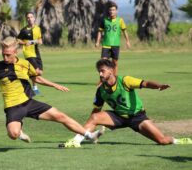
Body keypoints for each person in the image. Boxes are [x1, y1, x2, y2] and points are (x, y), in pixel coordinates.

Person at [0, 37, 100, 144]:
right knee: (13, 134)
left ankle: (89, 135)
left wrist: (55, 85)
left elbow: (36, 78)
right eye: (3, 54)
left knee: (60, 116)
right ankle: (19, 131)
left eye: (8, 54)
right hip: (12, 107)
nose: (5, 57)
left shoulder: (25, 64)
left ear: (16, 52)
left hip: (28, 103)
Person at [59, 59, 192, 148]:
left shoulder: (125, 81)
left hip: (137, 117)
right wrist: (90, 128)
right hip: (118, 117)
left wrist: (159, 86)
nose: (100, 74)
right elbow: (95, 111)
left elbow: (145, 83)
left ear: (111, 70)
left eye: (102, 71)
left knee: (162, 140)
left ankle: (178, 140)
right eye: (98, 71)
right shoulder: (100, 90)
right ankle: (76, 141)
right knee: (95, 117)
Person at [95, 2, 130, 75]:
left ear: (116, 11)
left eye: (113, 10)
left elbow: (124, 31)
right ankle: (103, 79)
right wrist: (98, 41)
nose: (112, 11)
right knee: (103, 62)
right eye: (110, 10)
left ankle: (115, 78)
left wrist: (127, 41)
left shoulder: (120, 20)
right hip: (106, 44)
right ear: (108, 11)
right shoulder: (104, 20)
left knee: (115, 63)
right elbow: (100, 31)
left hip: (115, 44)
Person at [17, 11, 43, 94]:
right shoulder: (24, 30)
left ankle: (23, 75)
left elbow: (40, 40)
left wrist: (32, 42)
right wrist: (25, 43)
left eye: (31, 17)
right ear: (26, 19)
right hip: (28, 53)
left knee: (40, 73)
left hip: (36, 52)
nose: (30, 19)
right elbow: (18, 40)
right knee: (36, 71)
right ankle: (34, 87)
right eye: (28, 17)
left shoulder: (38, 28)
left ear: (34, 18)